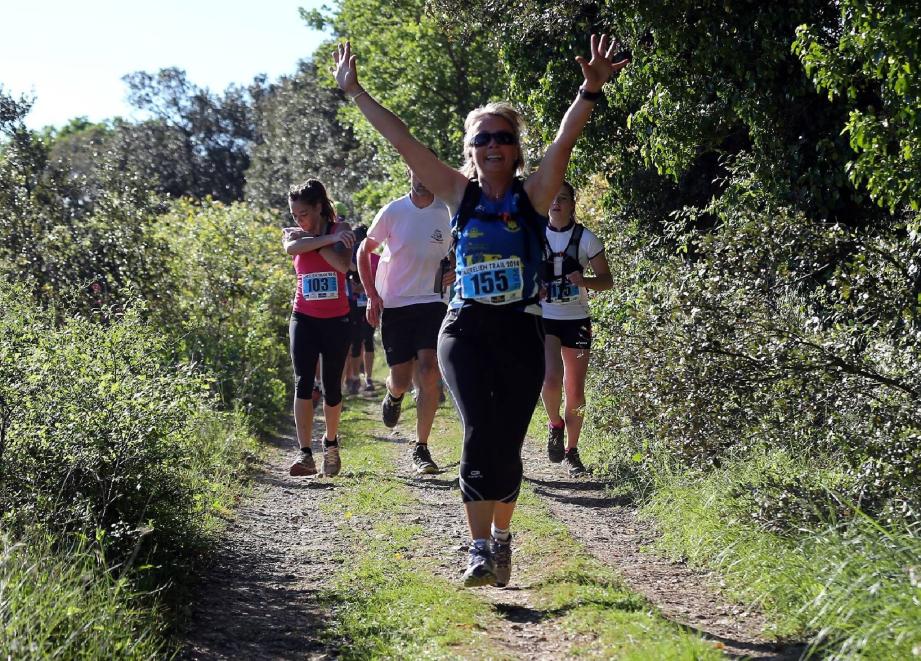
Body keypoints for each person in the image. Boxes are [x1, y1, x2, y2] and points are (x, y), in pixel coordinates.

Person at [333, 33, 628, 587]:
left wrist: (588, 90)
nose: (493, 144)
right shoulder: (456, 192)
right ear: (469, 150)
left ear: (515, 148)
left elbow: (564, 142)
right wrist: (355, 92)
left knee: (507, 441)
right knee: (476, 432)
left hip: (519, 329)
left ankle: (503, 539)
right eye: (482, 138)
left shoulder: (533, 196)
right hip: (464, 328)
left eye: (503, 137)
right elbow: (404, 140)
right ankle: (476, 548)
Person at [356, 167, 452, 475]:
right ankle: (394, 394)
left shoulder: (448, 211)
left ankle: (421, 447)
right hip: (396, 303)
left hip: (433, 301)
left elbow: (462, 251)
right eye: (418, 168)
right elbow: (364, 250)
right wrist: (372, 294)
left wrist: (455, 270)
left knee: (428, 370)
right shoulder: (394, 211)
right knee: (400, 376)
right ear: (410, 171)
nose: (424, 176)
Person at [283, 179, 356, 478]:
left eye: (303, 213)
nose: (297, 220)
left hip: (337, 319)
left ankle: (331, 442)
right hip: (303, 316)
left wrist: (316, 240)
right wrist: (322, 240)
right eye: (294, 215)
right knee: (303, 381)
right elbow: (290, 247)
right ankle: (305, 454)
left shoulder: (341, 228)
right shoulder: (295, 232)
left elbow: (342, 265)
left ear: (318, 207)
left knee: (332, 386)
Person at [540, 182, 612, 476]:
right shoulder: (534, 235)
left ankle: (572, 450)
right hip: (545, 318)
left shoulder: (586, 238)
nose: (556, 203)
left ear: (573, 204)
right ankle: (554, 423)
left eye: (563, 199)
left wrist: (585, 282)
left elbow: (607, 281)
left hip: (577, 319)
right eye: (552, 198)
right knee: (551, 378)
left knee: (576, 391)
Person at [344, 225, 378, 394]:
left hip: (370, 304)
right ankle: (355, 378)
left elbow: (382, 282)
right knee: (355, 341)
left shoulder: (377, 259)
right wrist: (352, 287)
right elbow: (343, 276)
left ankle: (368, 378)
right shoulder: (349, 257)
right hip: (353, 304)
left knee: (368, 340)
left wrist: (365, 289)